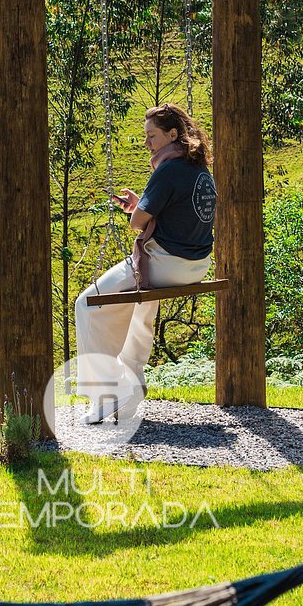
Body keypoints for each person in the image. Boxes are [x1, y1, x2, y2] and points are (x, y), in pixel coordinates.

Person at [75, 103, 216, 424]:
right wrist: (142, 206)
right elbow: (173, 212)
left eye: (151, 135)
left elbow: (138, 224)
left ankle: (108, 392)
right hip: (197, 264)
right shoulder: (199, 170)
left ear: (172, 134)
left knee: (85, 304)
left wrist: (138, 211)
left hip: (167, 263)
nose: (147, 143)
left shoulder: (167, 169)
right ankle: (132, 377)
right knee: (142, 301)